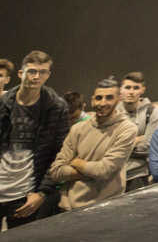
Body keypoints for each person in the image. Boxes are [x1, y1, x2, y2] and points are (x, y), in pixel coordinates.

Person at [0, 50, 71, 237]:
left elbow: (59, 155)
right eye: (32, 71)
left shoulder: (56, 108)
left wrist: (42, 193)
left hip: (25, 196)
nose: (36, 76)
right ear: (21, 73)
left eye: (42, 72)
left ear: (48, 75)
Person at [46, 77, 136, 211]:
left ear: (118, 99)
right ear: (92, 100)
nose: (103, 103)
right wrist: (92, 171)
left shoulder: (127, 129)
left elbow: (104, 170)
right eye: (99, 98)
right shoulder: (78, 129)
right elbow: (56, 171)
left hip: (106, 208)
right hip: (68, 208)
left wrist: (76, 162)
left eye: (109, 98)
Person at [118, 71, 158, 192]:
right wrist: (137, 140)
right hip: (113, 173)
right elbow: (106, 146)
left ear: (142, 90)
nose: (131, 92)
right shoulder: (113, 112)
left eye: (136, 88)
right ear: (121, 90)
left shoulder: (151, 112)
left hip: (138, 174)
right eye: (127, 87)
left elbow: (150, 147)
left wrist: (121, 146)